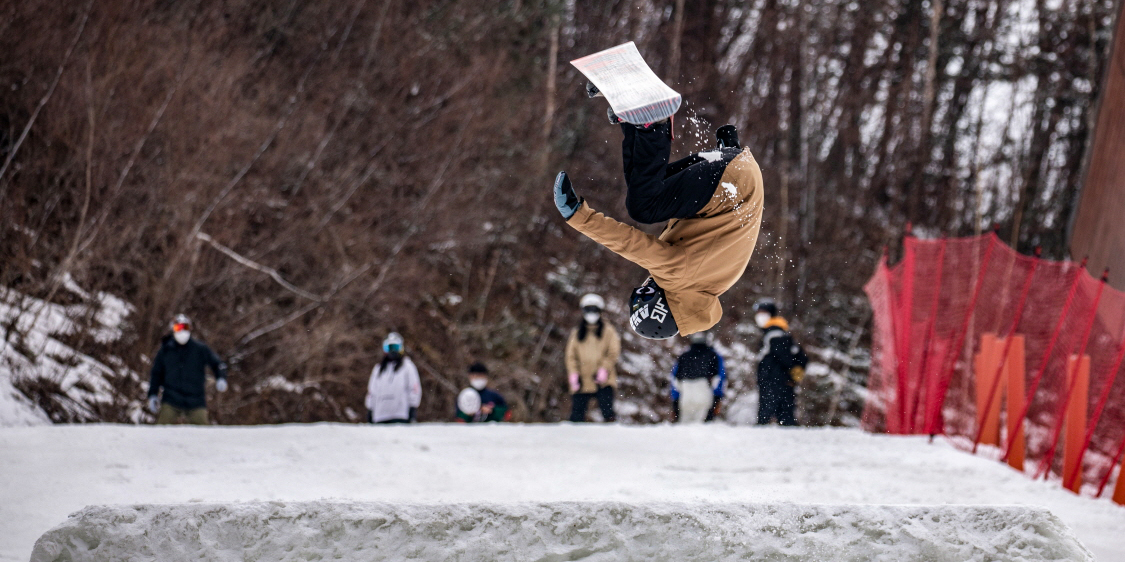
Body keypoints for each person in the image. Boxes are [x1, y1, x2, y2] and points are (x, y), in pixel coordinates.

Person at [553, 117, 763, 340]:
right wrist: (578, 216)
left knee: (645, 186)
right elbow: (631, 244)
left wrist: (730, 148)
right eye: (646, 293)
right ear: (659, 304)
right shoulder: (679, 279)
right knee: (643, 208)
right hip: (729, 184)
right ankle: (651, 122)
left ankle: (633, 121)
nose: (646, 283)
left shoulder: (703, 288)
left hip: (737, 175)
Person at [147, 314, 228, 425]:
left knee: (204, 431)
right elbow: (156, 374)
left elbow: (218, 364)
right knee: (162, 428)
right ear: (173, 329)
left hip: (196, 400)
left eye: (185, 328)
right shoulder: (165, 351)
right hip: (171, 399)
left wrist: (221, 377)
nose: (182, 332)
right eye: (178, 328)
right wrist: (153, 394)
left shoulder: (200, 349)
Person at [565, 293, 621, 422]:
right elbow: (571, 356)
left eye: (594, 310)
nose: (591, 313)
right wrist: (573, 374)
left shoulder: (609, 331)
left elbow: (613, 352)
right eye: (588, 310)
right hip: (582, 380)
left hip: (603, 380)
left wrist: (604, 369)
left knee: (608, 414)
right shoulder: (576, 333)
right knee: (576, 415)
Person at [753, 300, 805, 426]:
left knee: (769, 413)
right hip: (778, 379)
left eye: (763, 312)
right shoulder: (776, 331)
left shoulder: (774, 333)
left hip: (774, 379)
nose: (759, 316)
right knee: (785, 414)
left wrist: (788, 372)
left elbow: (784, 356)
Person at [670, 331, 726, 424]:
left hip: (685, 391)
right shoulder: (714, 355)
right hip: (704, 389)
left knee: (683, 426)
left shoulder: (684, 356)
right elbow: (720, 377)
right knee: (701, 428)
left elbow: (674, 379)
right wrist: (717, 398)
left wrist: (675, 401)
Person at [365, 332, 421, 424]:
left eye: (395, 347)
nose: (392, 351)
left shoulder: (407, 366)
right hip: (380, 416)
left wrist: (412, 408)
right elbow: (372, 391)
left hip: (400, 416)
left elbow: (414, 389)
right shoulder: (378, 369)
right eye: (389, 347)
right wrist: (370, 409)